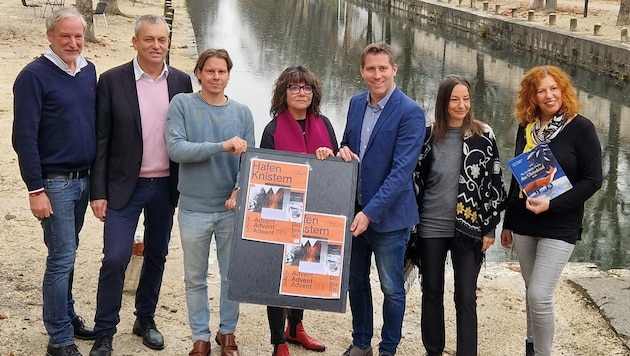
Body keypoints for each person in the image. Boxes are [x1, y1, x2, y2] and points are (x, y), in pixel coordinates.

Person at [87, 14, 193, 356]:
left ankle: (145, 319)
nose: (156, 46)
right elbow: (101, 140)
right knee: (115, 258)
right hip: (123, 186)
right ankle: (105, 331)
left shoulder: (180, 81)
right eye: (149, 39)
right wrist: (98, 192)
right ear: (135, 42)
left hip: (166, 186)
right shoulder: (112, 80)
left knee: (158, 255)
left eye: (162, 40)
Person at [12, 8, 97, 356]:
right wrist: (36, 189)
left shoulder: (89, 71)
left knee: (70, 254)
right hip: (55, 184)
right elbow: (24, 137)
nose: (73, 42)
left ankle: (67, 313)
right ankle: (59, 338)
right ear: (50, 36)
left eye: (78, 36)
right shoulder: (33, 76)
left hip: (83, 180)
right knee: (61, 259)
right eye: (65, 36)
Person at [500, 66, 603, 356]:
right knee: (530, 289)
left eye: (553, 88)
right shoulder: (527, 127)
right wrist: (507, 222)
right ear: (531, 96)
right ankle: (531, 348)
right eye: (541, 90)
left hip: (561, 223)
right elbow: (519, 176)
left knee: (539, 294)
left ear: (563, 90)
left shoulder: (580, 127)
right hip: (523, 221)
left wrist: (553, 205)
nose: (549, 95)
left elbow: (593, 180)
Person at [336, 42, 426, 356]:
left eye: (383, 68)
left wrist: (370, 213)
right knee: (355, 282)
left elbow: (402, 171)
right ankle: (362, 343)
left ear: (394, 70)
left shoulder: (410, 111)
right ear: (362, 71)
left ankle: (388, 348)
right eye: (371, 69)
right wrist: (341, 151)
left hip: (389, 218)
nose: (377, 75)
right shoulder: (356, 103)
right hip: (354, 211)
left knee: (391, 287)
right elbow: (348, 145)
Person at [165, 48, 255, 356]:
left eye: (222, 71)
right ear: (199, 73)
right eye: (211, 71)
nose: (216, 77)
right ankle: (200, 336)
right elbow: (176, 149)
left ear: (229, 75)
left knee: (232, 276)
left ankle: (227, 333)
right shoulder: (182, 104)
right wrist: (221, 146)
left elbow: (249, 162)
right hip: (193, 208)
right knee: (195, 277)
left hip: (230, 209)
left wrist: (239, 190)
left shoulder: (242, 112)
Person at [413, 75, 507, 356]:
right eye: (454, 99)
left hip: (470, 229)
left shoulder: (483, 135)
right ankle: (434, 350)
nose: (461, 104)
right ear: (443, 101)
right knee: (432, 292)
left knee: (466, 295)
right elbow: (415, 177)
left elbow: (494, 183)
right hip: (430, 225)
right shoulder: (428, 135)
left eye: (465, 99)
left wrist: (489, 228)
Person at [260, 66, 336, 356]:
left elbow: (338, 168)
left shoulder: (324, 124)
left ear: (313, 93)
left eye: (307, 88)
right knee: (278, 275)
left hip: (317, 209)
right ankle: (279, 339)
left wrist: (330, 156)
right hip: (281, 215)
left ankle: (296, 327)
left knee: (306, 267)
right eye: (294, 87)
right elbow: (264, 179)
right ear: (284, 92)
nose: (301, 93)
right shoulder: (273, 130)